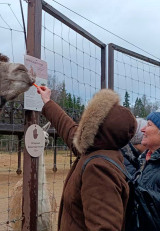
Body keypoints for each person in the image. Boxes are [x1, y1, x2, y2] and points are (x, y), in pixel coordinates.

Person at [37, 86, 136, 230]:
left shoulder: (99, 168)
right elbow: (69, 130)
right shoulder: (101, 151)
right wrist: (47, 101)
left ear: (95, 126)